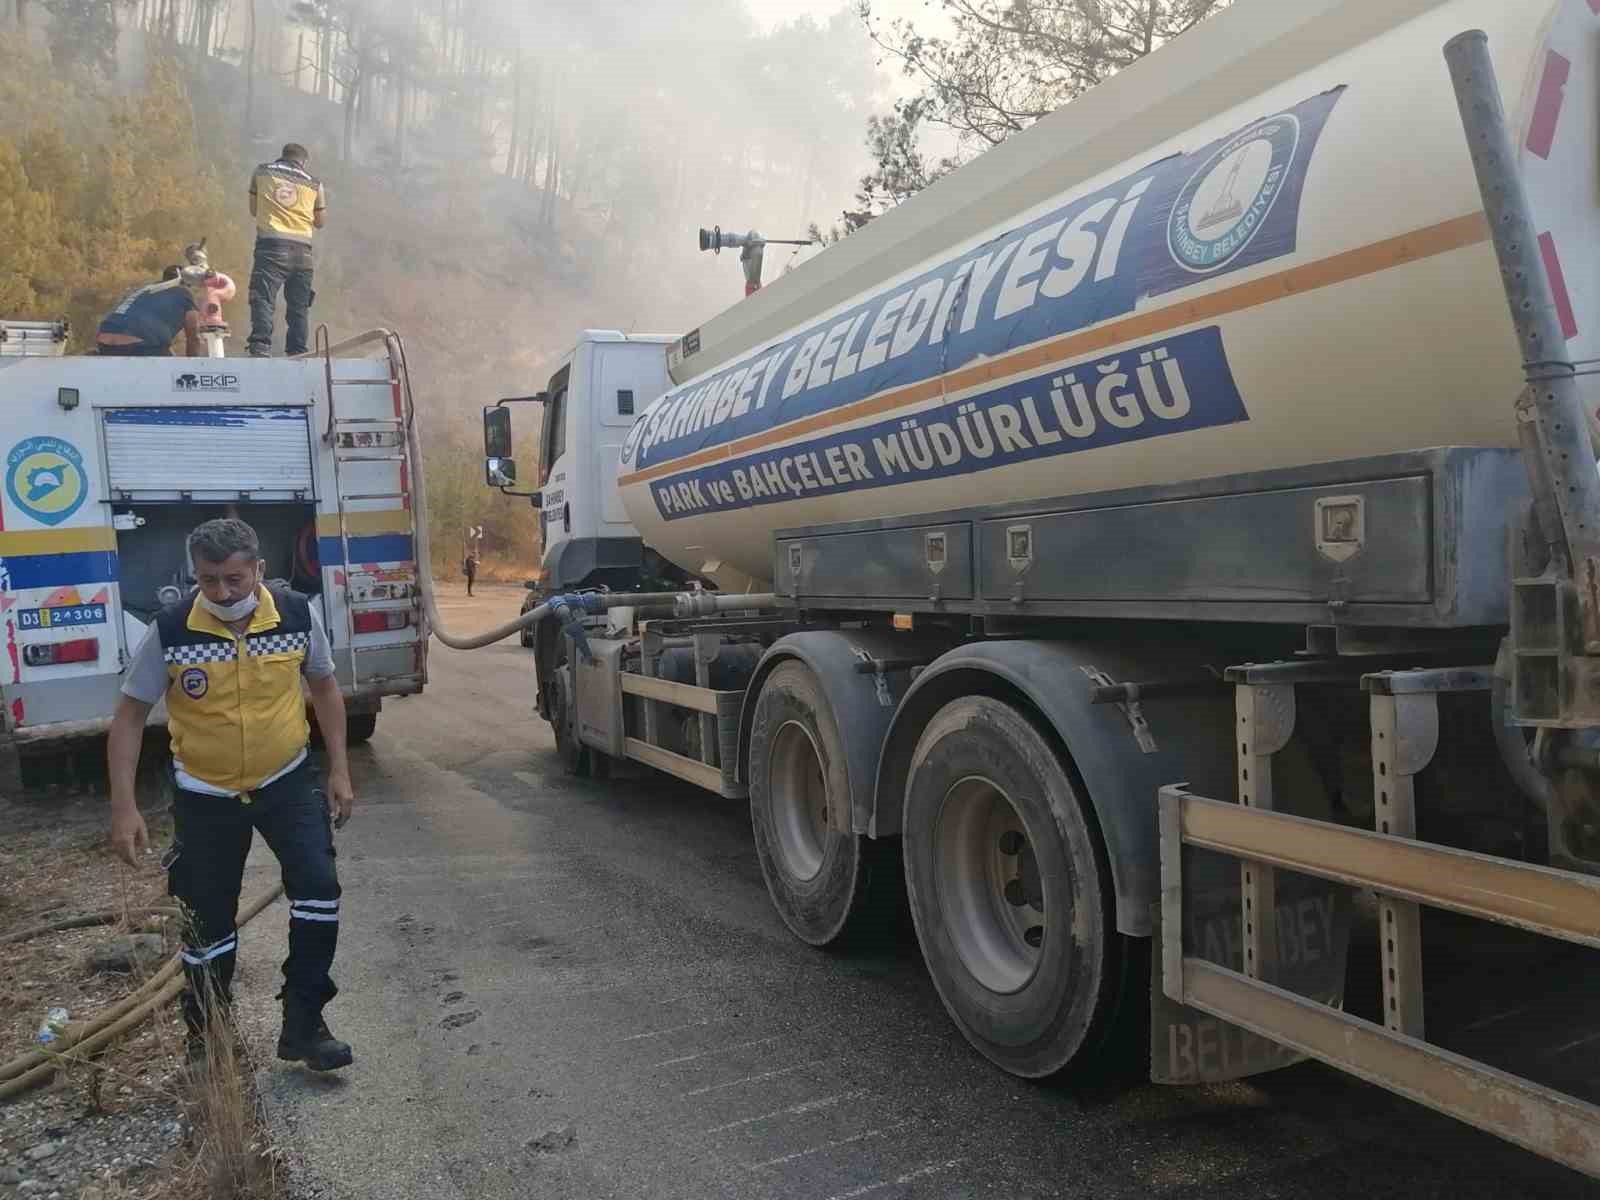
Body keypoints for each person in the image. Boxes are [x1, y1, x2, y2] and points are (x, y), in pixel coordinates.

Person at [107, 518, 356, 1071]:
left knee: (318, 892)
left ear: (259, 571)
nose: (221, 593)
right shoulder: (170, 630)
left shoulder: (295, 615)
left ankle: (304, 1024)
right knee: (208, 922)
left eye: (234, 580)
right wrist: (123, 806)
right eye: (209, 580)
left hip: (286, 781)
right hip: (205, 794)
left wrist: (339, 769)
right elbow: (129, 717)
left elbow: (324, 685)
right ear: (195, 575)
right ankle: (209, 1038)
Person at [246, 142, 326, 358]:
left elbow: (254, 210)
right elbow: (320, 221)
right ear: (303, 162)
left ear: (282, 156)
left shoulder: (261, 171)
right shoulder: (315, 184)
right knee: (299, 306)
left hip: (271, 247)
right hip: (303, 253)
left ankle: (261, 345)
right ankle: (297, 351)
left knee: (263, 297)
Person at [95, 267, 201, 357]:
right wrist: (194, 368)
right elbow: (193, 338)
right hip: (137, 345)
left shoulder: (144, 290)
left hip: (104, 342)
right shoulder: (184, 293)